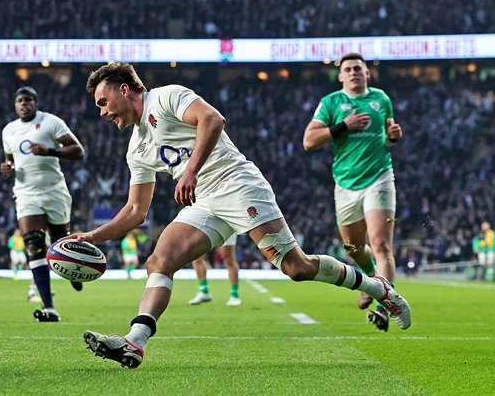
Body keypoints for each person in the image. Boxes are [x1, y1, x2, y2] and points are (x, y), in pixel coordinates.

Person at [68, 62, 410, 369]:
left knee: (297, 268)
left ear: (124, 89)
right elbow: (134, 211)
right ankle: (135, 342)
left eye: (103, 101)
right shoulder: (136, 147)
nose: (102, 112)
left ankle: (378, 288)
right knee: (159, 261)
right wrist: (92, 236)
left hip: (238, 184)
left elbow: (212, 119)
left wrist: (190, 172)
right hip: (204, 202)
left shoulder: (166, 97)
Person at [302, 53, 403, 332]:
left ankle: (386, 304)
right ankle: (371, 277)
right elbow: (308, 141)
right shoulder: (331, 103)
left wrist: (394, 135)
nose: (354, 72)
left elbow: (389, 134)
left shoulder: (381, 99)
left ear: (367, 74)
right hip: (346, 183)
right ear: (341, 76)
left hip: (379, 177)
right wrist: (344, 125)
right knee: (352, 248)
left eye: (359, 68)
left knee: (381, 244)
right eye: (348, 69)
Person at [0, 86, 85, 322]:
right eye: (20, 101)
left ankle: (73, 271)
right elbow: (11, 160)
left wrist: (49, 151)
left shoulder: (50, 122)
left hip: (54, 191)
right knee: (34, 244)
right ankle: (49, 307)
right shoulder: (9, 131)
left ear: (36, 103)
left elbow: (78, 151)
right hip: (26, 193)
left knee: (60, 243)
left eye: (28, 100)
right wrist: (8, 168)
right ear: (15, 105)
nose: (24, 104)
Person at [189, 233, 241, 306]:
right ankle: (204, 291)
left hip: (225, 223)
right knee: (197, 256)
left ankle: (235, 295)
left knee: (229, 259)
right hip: (204, 224)